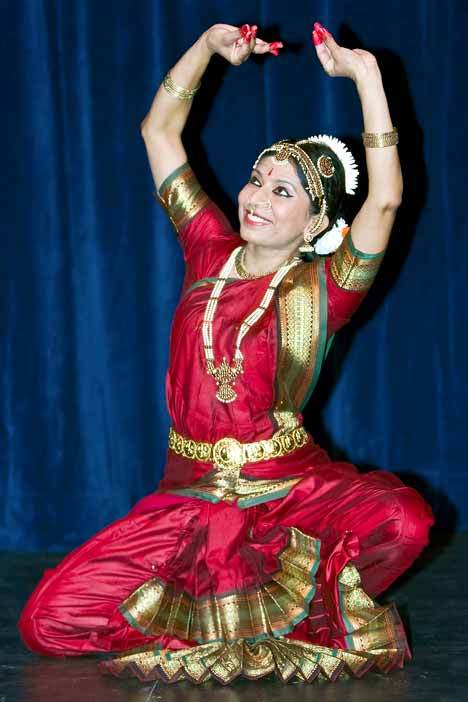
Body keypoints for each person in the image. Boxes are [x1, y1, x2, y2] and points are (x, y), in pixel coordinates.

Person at [18, 21, 434, 684]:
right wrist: (208, 49)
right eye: (256, 178)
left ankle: (283, 605)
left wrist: (367, 78)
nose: (257, 196)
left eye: (282, 191)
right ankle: (240, 616)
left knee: (405, 521)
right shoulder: (207, 246)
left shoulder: (328, 289)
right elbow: (159, 132)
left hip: (289, 490)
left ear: (318, 223)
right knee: (49, 622)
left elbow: (386, 197)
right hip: (188, 502)